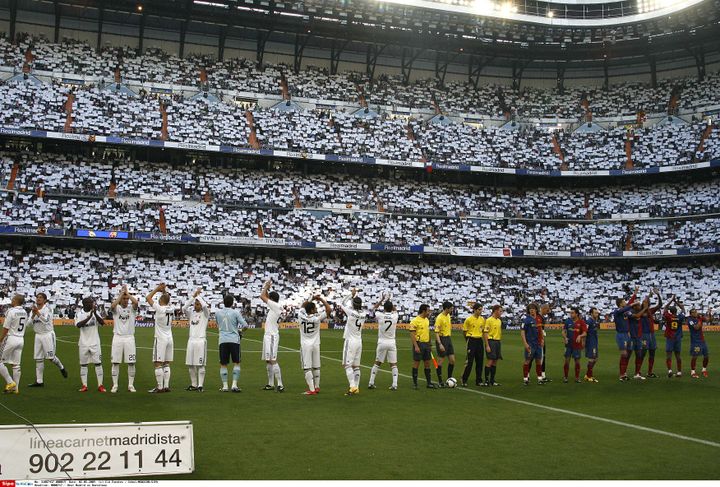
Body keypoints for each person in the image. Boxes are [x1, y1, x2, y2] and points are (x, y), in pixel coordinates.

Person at [28, 292, 68, 387]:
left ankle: (61, 367)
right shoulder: (33, 310)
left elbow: (46, 321)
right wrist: (33, 315)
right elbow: (28, 324)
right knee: (38, 359)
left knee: (50, 357)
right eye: (37, 297)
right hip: (38, 335)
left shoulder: (48, 309)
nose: (38, 299)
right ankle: (39, 381)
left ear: (45, 300)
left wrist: (37, 312)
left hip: (47, 334)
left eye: (41, 297)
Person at [215, 292, 249, 393]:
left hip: (223, 340)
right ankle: (234, 385)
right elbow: (246, 325)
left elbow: (218, 324)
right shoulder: (236, 313)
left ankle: (225, 386)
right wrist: (240, 331)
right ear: (232, 303)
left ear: (223, 303)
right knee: (236, 362)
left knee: (223, 364)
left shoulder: (218, 313)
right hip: (234, 340)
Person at [298, 294, 331, 395]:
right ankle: (317, 387)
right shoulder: (317, 318)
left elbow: (303, 306)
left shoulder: (301, 315)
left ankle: (312, 390)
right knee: (316, 366)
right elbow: (329, 309)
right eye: (315, 308)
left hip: (305, 345)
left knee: (307, 367)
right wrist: (320, 299)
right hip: (316, 344)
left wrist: (311, 298)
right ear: (312, 310)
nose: (316, 309)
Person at [110, 285, 139, 393]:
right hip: (117, 337)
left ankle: (130, 385)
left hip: (129, 337)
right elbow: (112, 306)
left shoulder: (131, 309)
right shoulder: (117, 308)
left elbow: (136, 303)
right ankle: (115, 385)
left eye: (127, 299)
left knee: (131, 362)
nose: (126, 300)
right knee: (115, 362)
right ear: (120, 298)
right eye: (124, 298)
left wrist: (127, 293)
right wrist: (121, 294)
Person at [146, 283, 175, 393]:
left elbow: (148, 298)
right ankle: (166, 386)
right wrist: (163, 291)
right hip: (169, 338)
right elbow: (167, 298)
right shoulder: (171, 308)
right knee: (166, 363)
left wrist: (157, 289)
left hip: (160, 338)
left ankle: (159, 387)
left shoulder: (159, 308)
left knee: (157, 362)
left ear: (161, 300)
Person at [74, 296, 106, 393]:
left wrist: (95, 314)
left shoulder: (96, 313)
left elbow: (102, 323)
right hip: (83, 343)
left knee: (98, 363)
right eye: (90, 303)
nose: (93, 304)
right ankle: (84, 385)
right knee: (83, 365)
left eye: (92, 302)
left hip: (95, 342)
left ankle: (100, 385)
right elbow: (78, 325)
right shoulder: (79, 314)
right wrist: (89, 317)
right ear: (85, 304)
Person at [368, 293, 399, 390]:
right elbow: (395, 310)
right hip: (391, 342)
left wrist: (381, 300)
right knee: (393, 364)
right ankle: (394, 384)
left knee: (377, 362)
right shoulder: (395, 316)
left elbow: (373, 310)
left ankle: (371, 382)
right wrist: (389, 300)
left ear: (384, 308)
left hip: (381, 341)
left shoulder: (380, 315)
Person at [340, 288, 367, 396]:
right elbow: (358, 308)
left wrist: (351, 295)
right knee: (356, 366)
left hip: (350, 341)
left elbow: (342, 303)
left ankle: (352, 386)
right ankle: (357, 387)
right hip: (359, 341)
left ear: (353, 304)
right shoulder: (364, 314)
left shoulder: (350, 312)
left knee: (347, 365)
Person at [0, 294, 28, 394]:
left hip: (11, 338)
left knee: (0, 361)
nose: (11, 300)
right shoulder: (24, 312)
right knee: (16, 364)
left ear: (16, 300)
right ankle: (15, 389)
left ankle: (10, 382)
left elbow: (6, 327)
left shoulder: (11, 311)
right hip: (21, 339)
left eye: (13, 299)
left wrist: (1, 339)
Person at [260, 279, 284, 392]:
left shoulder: (275, 306)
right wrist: (267, 289)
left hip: (272, 336)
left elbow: (262, 297)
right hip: (268, 335)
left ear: (272, 299)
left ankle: (280, 384)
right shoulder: (274, 306)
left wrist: (265, 286)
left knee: (273, 359)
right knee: (268, 360)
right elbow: (265, 297)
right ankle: (270, 383)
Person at [183, 288, 209, 392]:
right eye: (195, 304)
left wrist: (199, 297)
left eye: (198, 304)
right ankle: (193, 385)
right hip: (191, 341)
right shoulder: (191, 314)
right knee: (190, 364)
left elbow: (205, 306)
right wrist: (193, 296)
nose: (196, 305)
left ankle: (200, 385)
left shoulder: (205, 314)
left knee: (200, 364)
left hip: (200, 341)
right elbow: (184, 308)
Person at [612, 286, 638, 381]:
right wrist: (631, 305)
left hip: (627, 334)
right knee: (624, 354)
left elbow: (629, 304)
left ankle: (624, 373)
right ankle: (621, 375)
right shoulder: (617, 311)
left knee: (629, 353)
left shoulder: (625, 311)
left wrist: (634, 294)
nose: (626, 302)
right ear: (620, 303)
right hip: (621, 335)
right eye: (624, 301)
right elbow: (628, 306)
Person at [409, 304, 437, 389]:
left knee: (427, 363)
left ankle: (429, 383)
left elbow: (428, 332)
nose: (429, 313)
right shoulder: (415, 321)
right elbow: (412, 334)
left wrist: (430, 343)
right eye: (428, 311)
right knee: (416, 363)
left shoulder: (427, 320)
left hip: (426, 344)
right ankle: (415, 384)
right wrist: (416, 346)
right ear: (423, 311)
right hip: (419, 344)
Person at [461, 303, 485, 387]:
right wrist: (468, 340)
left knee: (480, 361)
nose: (481, 311)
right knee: (469, 361)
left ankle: (479, 380)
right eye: (479, 309)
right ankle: (464, 379)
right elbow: (464, 331)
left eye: (481, 309)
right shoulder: (469, 319)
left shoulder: (482, 319)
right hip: (471, 340)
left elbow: (482, 331)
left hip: (479, 340)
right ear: (474, 310)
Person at [663, 294, 685, 378]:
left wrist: (671, 300)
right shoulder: (679, 317)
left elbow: (665, 307)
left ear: (670, 311)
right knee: (678, 355)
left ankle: (669, 370)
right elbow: (683, 309)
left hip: (670, 337)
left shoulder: (668, 316)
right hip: (678, 337)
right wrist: (676, 301)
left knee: (669, 354)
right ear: (676, 311)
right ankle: (679, 372)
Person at [521, 304, 544, 386]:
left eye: (533, 309)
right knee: (527, 360)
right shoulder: (526, 320)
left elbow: (540, 329)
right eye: (530, 309)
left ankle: (540, 378)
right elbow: (522, 332)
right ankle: (526, 379)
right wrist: (525, 343)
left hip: (538, 344)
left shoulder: (539, 318)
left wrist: (542, 339)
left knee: (538, 361)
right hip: (530, 344)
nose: (532, 310)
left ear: (536, 310)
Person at [642, 289, 662, 378]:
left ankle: (650, 372)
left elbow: (660, 305)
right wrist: (648, 295)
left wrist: (658, 295)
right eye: (644, 301)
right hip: (644, 334)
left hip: (652, 334)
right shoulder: (640, 311)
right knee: (642, 353)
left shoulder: (650, 310)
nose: (646, 302)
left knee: (652, 353)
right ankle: (637, 372)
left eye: (647, 301)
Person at [563, 308, 587, 384]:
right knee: (567, 360)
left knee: (577, 361)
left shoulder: (581, 322)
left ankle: (577, 377)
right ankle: (565, 377)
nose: (571, 314)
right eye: (570, 313)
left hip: (577, 345)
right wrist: (565, 337)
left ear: (577, 314)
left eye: (572, 313)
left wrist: (580, 336)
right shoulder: (567, 321)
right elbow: (563, 331)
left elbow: (585, 333)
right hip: (568, 344)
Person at [434, 301, 455, 386]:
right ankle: (440, 381)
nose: (452, 309)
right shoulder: (439, 318)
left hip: (448, 339)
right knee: (440, 361)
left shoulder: (448, 316)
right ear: (447, 309)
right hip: (442, 339)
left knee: (452, 360)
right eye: (451, 308)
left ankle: (449, 378)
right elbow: (436, 332)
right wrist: (440, 344)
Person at [482, 304, 503, 386]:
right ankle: (486, 380)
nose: (501, 313)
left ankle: (492, 380)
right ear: (495, 311)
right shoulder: (489, 320)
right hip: (491, 341)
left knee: (495, 361)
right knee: (490, 360)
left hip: (497, 341)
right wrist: (487, 345)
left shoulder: (499, 321)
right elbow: (485, 333)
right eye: (500, 311)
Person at [687, 308, 710, 379]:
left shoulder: (699, 318)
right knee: (695, 356)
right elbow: (696, 327)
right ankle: (693, 371)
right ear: (691, 314)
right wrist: (700, 319)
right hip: (695, 341)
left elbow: (708, 320)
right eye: (694, 312)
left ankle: (704, 369)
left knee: (706, 355)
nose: (696, 313)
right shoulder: (690, 320)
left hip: (702, 340)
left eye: (696, 312)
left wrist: (709, 313)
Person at [628, 300, 648, 380]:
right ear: (635, 306)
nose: (640, 306)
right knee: (628, 355)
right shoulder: (630, 312)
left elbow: (645, 313)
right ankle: (623, 373)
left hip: (638, 337)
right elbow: (637, 316)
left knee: (639, 355)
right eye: (638, 305)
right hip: (631, 336)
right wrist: (644, 309)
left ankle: (637, 373)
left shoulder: (640, 311)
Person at [583, 307, 600, 383]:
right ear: (591, 313)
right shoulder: (589, 321)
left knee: (595, 358)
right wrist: (584, 341)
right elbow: (584, 331)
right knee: (592, 359)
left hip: (594, 341)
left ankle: (587, 374)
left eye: (597, 312)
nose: (597, 314)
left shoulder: (595, 321)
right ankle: (589, 376)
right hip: (590, 342)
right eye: (595, 312)